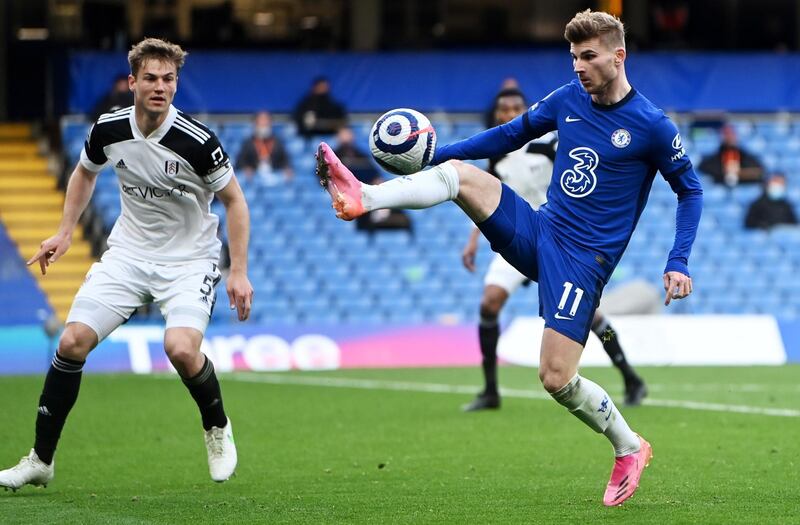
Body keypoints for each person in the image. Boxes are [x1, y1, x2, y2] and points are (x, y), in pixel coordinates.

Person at [315, 10, 702, 506]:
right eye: (573, 58)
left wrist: (679, 259)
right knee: (461, 174)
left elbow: (690, 190)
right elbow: (507, 136)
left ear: (617, 55)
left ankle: (629, 446)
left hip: (584, 262)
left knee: (555, 378)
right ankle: (363, 196)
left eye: (588, 56)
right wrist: (435, 153)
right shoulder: (567, 99)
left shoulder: (650, 124)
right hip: (543, 229)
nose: (579, 67)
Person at [0, 38, 253, 491]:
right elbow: (84, 172)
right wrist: (63, 232)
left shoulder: (198, 141)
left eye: (169, 79)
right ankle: (40, 460)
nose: (160, 87)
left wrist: (237, 271)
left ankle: (216, 427)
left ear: (177, 84)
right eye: (151, 79)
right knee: (73, 340)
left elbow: (235, 201)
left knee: (180, 348)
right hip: (129, 255)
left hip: (189, 261)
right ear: (132, 82)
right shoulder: (109, 128)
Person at [461, 87, 646, 412]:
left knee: (592, 318)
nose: (510, 112)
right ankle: (490, 390)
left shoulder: (548, 144)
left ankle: (630, 377)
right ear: (497, 115)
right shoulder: (497, 156)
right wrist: (473, 239)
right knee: (489, 303)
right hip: (518, 239)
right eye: (504, 108)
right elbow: (486, 198)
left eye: (517, 106)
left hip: (559, 240)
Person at [334, 127, 412, 233]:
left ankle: (382, 215)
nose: (346, 138)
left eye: (348, 134)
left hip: (364, 188)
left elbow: (375, 175)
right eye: (343, 134)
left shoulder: (360, 154)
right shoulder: (334, 156)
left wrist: (376, 183)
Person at [235, 110, 293, 185]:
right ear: (255, 123)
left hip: (274, 177)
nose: (264, 123)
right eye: (261, 121)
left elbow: (285, 160)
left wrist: (286, 169)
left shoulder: (278, 141)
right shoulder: (248, 142)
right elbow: (240, 161)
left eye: (266, 121)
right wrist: (246, 168)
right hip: (253, 177)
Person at [698, 124, 764, 187]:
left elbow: (759, 172)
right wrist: (724, 172)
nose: (729, 137)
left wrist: (739, 173)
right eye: (726, 134)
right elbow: (704, 169)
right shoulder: (713, 159)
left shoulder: (745, 156)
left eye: (731, 134)